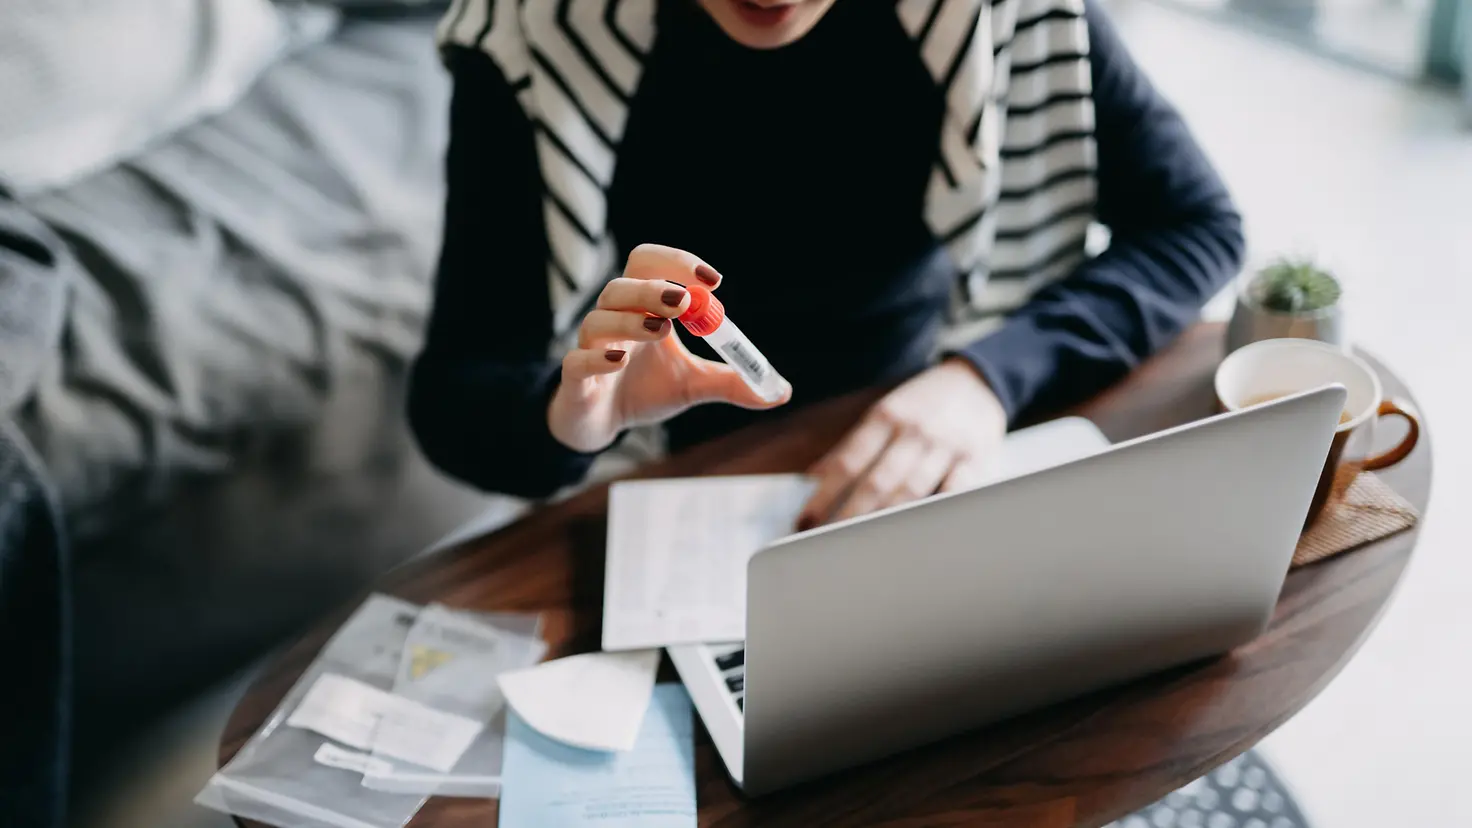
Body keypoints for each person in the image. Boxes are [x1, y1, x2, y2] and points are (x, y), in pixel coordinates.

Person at [409, 0, 1244, 528]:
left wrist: (987, 379)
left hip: (935, 425)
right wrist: (575, 415)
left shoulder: (1001, 11)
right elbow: (457, 397)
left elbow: (1197, 227)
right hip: (670, 483)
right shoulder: (530, 32)